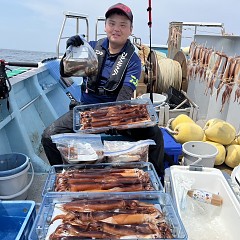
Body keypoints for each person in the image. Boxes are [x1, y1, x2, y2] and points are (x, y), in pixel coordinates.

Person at [41, 3, 165, 178]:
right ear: (106, 26)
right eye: (112, 23)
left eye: (123, 25)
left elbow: (124, 96)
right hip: (85, 112)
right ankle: (65, 177)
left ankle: (156, 177)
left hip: (118, 115)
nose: (116, 29)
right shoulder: (90, 48)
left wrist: (108, 124)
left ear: (130, 30)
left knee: (155, 134)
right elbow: (65, 71)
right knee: (48, 136)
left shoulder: (134, 61)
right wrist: (71, 51)